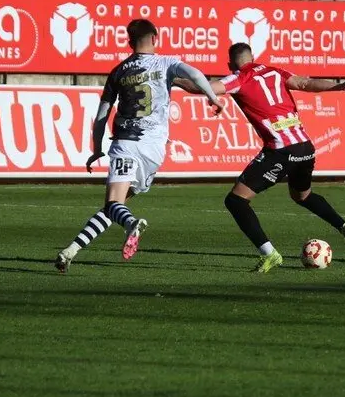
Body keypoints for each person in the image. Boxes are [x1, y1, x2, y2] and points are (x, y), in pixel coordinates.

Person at [174, 42, 345, 272]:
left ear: (230, 63)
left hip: (281, 150)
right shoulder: (275, 71)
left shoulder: (239, 77)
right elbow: (305, 83)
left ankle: (270, 253)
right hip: (304, 147)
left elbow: (201, 87)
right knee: (303, 196)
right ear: (253, 57)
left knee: (236, 200)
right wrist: (338, 87)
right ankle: (344, 226)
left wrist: (172, 78)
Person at [55, 19, 223, 273]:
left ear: (129, 41)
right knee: (114, 207)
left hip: (127, 142)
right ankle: (71, 251)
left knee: (114, 205)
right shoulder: (166, 63)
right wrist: (213, 98)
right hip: (154, 149)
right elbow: (196, 75)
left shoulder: (119, 71)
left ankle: (132, 223)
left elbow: (102, 114)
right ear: (155, 38)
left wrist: (96, 147)